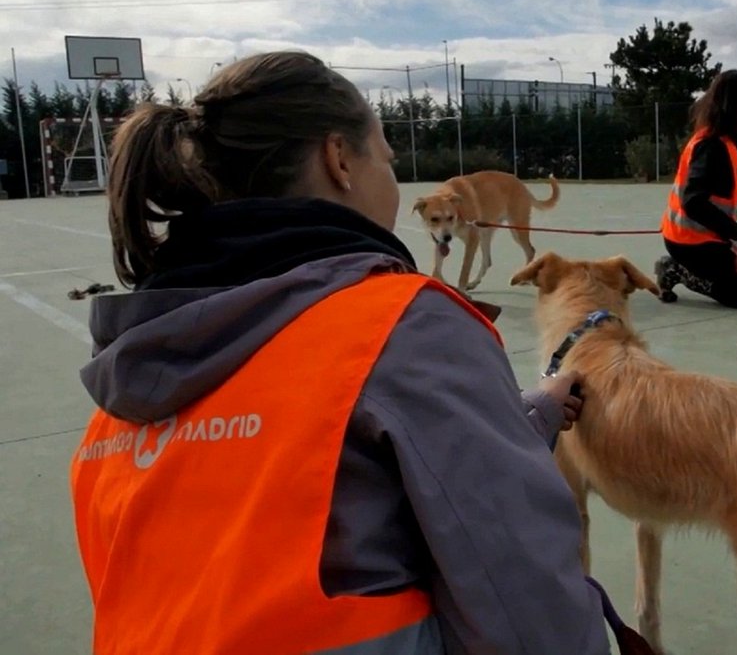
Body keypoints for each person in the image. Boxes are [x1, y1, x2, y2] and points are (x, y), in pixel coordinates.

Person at [69, 51, 629, 654]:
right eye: (386, 158)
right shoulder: (402, 326)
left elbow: (296, 459)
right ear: (339, 160)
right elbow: (528, 609)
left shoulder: (134, 371)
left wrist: (519, 420)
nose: (391, 178)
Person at [654, 69, 737, 309]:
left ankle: (683, 268)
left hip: (708, 238)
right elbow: (693, 202)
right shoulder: (711, 146)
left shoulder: (730, 140)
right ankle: (676, 270)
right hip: (689, 243)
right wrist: (735, 233)